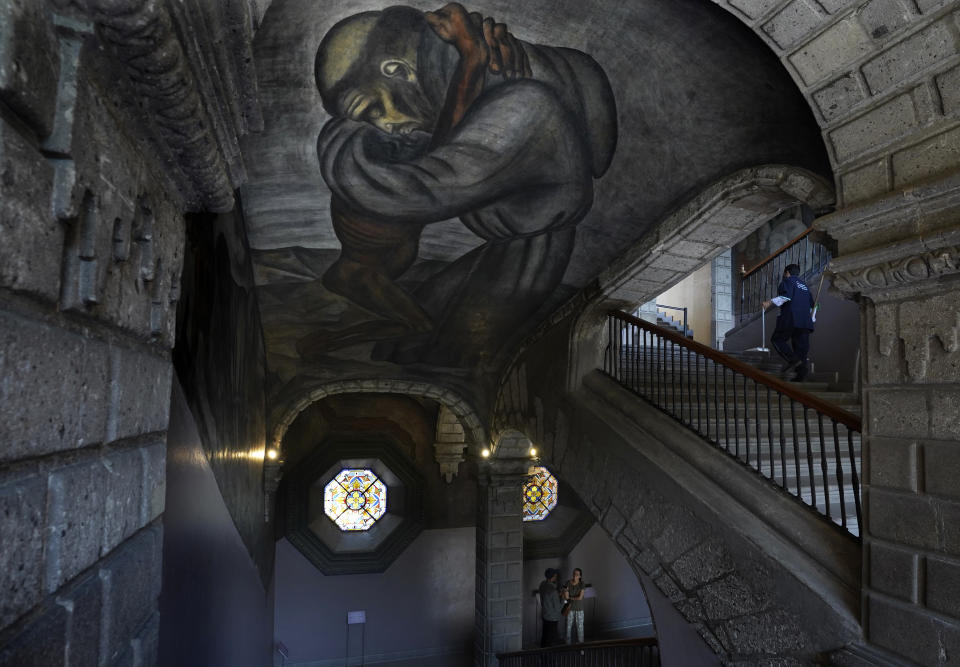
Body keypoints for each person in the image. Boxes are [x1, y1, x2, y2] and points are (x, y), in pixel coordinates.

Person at [308, 3, 617, 364]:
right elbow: (445, 141)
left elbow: (416, 189)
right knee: (407, 341)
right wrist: (470, 60)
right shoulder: (473, 88)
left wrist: (340, 148)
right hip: (505, 256)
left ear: (396, 70)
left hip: (526, 263)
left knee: (444, 358)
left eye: (372, 110)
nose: (383, 127)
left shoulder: (523, 111)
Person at [762, 263, 815, 381]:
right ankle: (800, 375)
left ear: (787, 273)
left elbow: (786, 297)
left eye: (784, 274)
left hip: (791, 318)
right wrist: (812, 317)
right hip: (805, 322)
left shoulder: (787, 281)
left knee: (777, 339)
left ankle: (794, 360)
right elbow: (813, 305)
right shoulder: (805, 286)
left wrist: (769, 302)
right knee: (801, 349)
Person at [539, 568, 563, 647]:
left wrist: (557, 594)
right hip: (552, 618)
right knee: (551, 639)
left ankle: (542, 656)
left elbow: (547, 597)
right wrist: (564, 598)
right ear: (553, 577)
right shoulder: (553, 591)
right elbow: (558, 608)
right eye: (555, 576)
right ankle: (549, 658)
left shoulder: (542, 585)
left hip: (545, 615)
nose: (556, 577)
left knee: (544, 637)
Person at [562, 567, 586, 644]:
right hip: (570, 609)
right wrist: (567, 595)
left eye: (577, 574)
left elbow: (580, 597)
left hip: (579, 609)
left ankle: (581, 647)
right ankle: (568, 646)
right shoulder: (567, 583)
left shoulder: (582, 584)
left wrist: (570, 597)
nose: (575, 575)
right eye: (574, 573)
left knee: (580, 629)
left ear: (580, 576)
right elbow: (566, 596)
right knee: (568, 628)